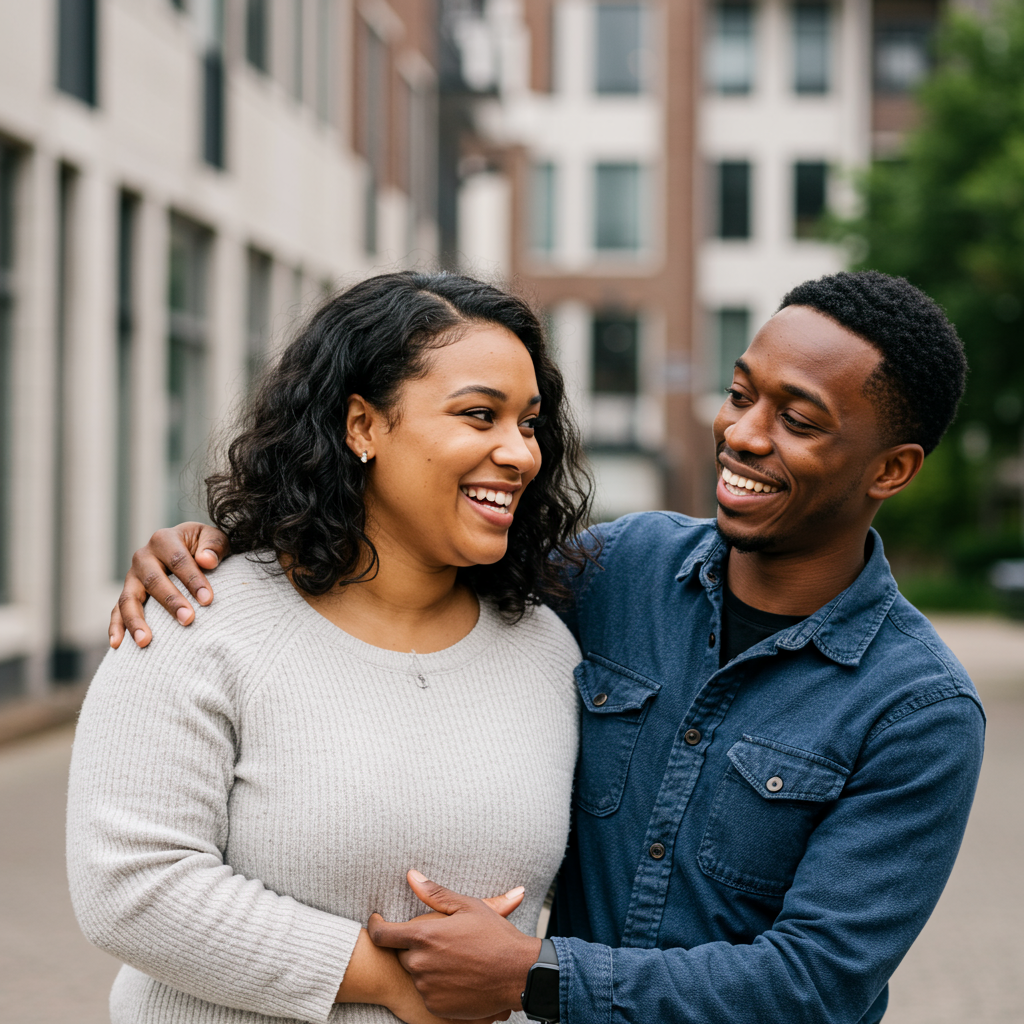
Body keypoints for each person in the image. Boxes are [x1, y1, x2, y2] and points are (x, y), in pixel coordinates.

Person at [112, 271, 985, 1024]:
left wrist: (536, 976)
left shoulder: (917, 709)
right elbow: (412, 559)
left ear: (891, 470)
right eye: (742, 392)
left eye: (800, 419)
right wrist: (224, 548)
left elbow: (815, 983)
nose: (745, 434)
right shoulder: (615, 571)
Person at [67, 271, 595, 1024]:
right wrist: (384, 979)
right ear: (362, 426)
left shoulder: (549, 650)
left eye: (529, 423)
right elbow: (130, 885)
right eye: (480, 415)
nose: (519, 453)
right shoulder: (198, 616)